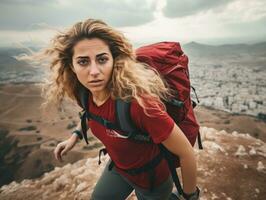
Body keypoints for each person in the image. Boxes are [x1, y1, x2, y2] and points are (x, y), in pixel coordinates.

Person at [43, 18, 198, 200]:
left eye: (102, 59)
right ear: (72, 66)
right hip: (119, 169)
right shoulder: (84, 92)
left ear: (114, 60)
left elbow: (186, 153)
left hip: (152, 181)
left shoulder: (139, 105)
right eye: (83, 62)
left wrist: (190, 196)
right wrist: (75, 136)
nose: (94, 71)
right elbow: (91, 112)